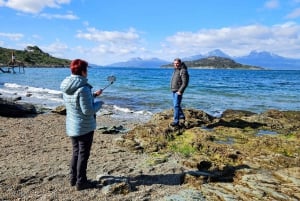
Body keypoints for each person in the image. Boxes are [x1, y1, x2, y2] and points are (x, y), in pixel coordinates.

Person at [60, 59, 103, 191]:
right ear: (83, 71)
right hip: (84, 127)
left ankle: (73, 179)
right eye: (87, 69)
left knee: (76, 153)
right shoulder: (83, 88)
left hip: (72, 125)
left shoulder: (67, 85)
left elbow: (76, 103)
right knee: (83, 154)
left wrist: (93, 95)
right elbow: (88, 111)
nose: (87, 71)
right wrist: (100, 103)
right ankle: (81, 182)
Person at [170, 58, 189, 127]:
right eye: (174, 63)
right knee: (177, 105)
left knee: (176, 106)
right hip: (174, 90)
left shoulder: (183, 71)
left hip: (178, 91)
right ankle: (182, 116)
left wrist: (180, 91)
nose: (175, 65)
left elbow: (185, 83)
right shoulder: (176, 70)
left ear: (180, 63)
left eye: (177, 63)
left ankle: (176, 121)